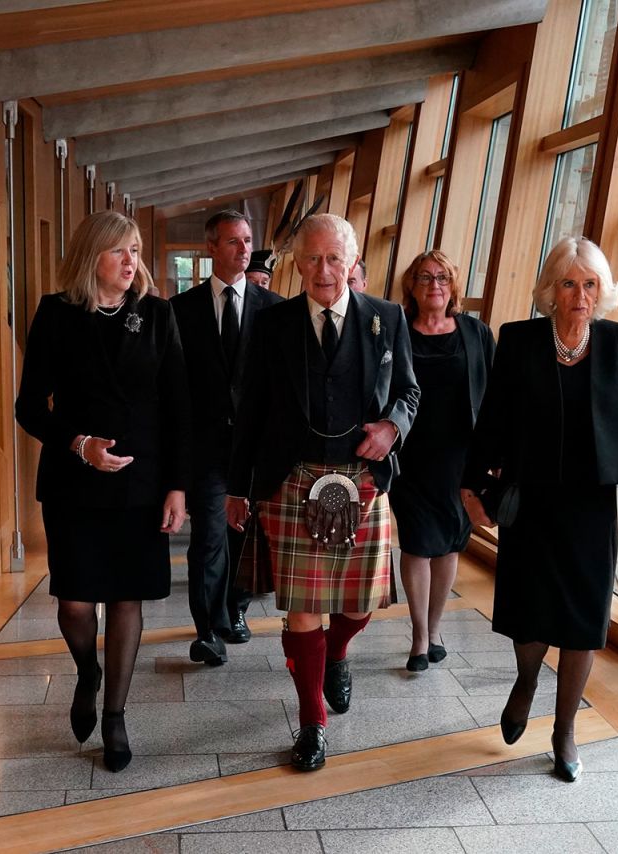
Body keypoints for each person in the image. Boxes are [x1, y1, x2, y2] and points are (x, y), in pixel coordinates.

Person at [461, 236, 618, 783]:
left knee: (583, 621)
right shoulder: (520, 341)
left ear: (602, 291)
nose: (579, 295)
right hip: (534, 500)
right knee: (531, 607)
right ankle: (526, 680)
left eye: (590, 284)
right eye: (569, 284)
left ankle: (565, 728)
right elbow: (493, 418)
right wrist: (471, 486)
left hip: (592, 505)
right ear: (551, 290)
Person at [227, 213, 419, 772]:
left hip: (362, 479)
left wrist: (393, 428)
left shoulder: (386, 319)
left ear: (354, 261)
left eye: (335, 258)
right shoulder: (272, 324)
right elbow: (250, 412)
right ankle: (312, 722)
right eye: (312, 258)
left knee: (359, 604)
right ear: (297, 264)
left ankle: (338, 653)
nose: (324, 270)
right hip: (291, 479)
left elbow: (409, 391)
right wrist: (237, 487)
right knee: (304, 608)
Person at [16, 211, 189, 771]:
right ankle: (86, 670)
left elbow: (178, 408)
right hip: (74, 483)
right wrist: (79, 443)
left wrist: (177, 487)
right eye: (121, 251)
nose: (132, 261)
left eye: (136, 250)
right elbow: (28, 407)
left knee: (125, 598)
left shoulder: (158, 315)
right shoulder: (57, 314)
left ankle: (114, 715)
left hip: (141, 483)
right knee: (74, 601)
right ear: (93, 256)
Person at [171, 211, 283, 666]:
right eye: (234, 242)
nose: (243, 249)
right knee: (210, 537)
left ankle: (235, 609)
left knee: (247, 536)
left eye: (248, 240)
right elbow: (173, 385)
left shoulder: (273, 309)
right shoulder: (181, 309)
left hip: (256, 448)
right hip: (206, 447)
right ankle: (207, 630)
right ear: (211, 248)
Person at [389, 251, 493, 672]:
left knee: (450, 542)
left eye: (443, 277)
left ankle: (435, 629)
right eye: (425, 277)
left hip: (461, 458)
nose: (435, 284)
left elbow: (495, 398)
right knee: (417, 542)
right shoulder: (396, 330)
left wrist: (495, 456)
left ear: (453, 286)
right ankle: (417, 637)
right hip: (410, 457)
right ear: (411, 286)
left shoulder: (475, 332)